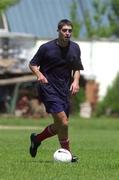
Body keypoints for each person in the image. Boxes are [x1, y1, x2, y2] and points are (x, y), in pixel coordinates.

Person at [29, 19, 84, 162]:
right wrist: (39, 75)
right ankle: (69, 156)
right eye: (64, 30)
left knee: (60, 125)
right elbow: (33, 64)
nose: (67, 33)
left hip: (64, 90)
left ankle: (37, 139)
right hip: (48, 89)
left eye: (70, 31)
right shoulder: (46, 48)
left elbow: (77, 67)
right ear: (58, 31)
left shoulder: (75, 48)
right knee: (64, 122)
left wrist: (76, 81)